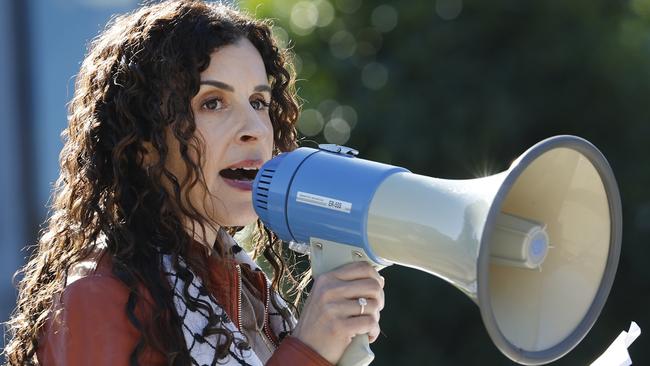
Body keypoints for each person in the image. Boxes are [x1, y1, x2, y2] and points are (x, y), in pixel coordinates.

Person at [4, 1, 385, 365]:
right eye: (212, 103)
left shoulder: (248, 288)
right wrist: (309, 350)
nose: (253, 129)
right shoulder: (99, 295)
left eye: (258, 101)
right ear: (143, 143)